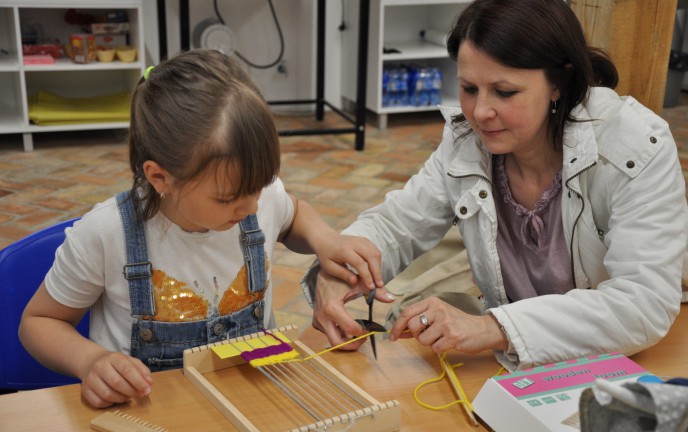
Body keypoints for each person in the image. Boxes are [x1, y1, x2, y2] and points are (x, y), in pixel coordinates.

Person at [304, 0, 688, 372]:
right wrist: (337, 272)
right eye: (469, 88)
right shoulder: (465, 142)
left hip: (628, 355)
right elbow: (396, 225)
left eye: (505, 92)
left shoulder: (636, 146)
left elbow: (643, 305)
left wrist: (493, 327)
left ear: (560, 82)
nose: (480, 112)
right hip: (522, 352)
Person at [18, 49, 383, 408]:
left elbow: (293, 214)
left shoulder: (260, 199)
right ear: (160, 177)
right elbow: (39, 323)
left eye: (260, 185)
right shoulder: (104, 234)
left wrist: (325, 239)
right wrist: (89, 361)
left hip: (258, 401)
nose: (252, 206)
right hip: (153, 412)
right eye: (227, 198)